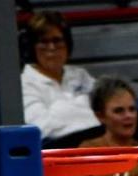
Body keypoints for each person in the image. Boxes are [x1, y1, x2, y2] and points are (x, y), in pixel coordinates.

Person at [20, 10, 99, 147]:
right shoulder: (24, 82)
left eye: (57, 40)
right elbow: (42, 128)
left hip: (98, 139)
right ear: (32, 47)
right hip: (58, 148)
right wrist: (84, 110)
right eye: (43, 42)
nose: (51, 48)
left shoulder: (80, 74)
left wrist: (60, 110)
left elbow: (108, 107)